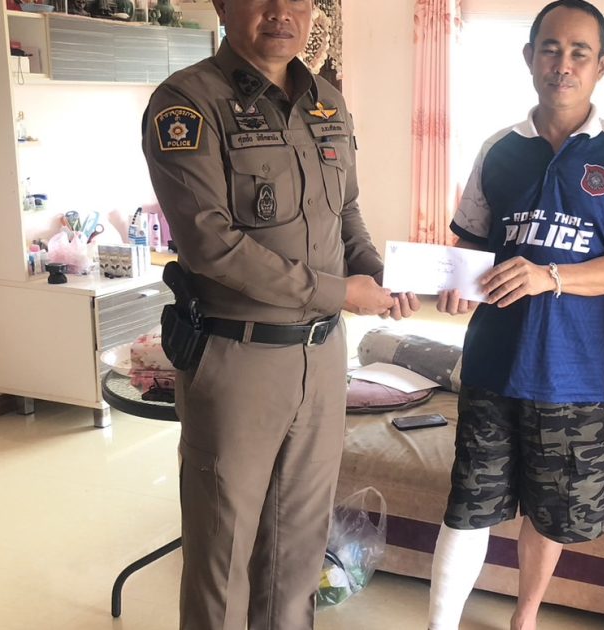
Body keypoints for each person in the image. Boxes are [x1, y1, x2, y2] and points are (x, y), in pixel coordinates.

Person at [141, 1, 419, 628]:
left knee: (297, 551)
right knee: (222, 556)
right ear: (222, 5)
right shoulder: (186, 103)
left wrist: (373, 269)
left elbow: (345, 209)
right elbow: (211, 245)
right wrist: (339, 293)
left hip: (322, 357)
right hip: (238, 357)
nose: (280, 12)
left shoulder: (326, 101)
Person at [425, 2, 604, 628]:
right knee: (469, 505)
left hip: (572, 370)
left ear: (602, 64)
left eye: (580, 52)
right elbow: (469, 244)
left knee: (552, 511)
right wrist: (452, 282)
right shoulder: (498, 149)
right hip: (492, 361)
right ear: (530, 57)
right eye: (551, 49)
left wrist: (549, 276)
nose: (563, 64)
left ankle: (524, 616)